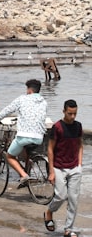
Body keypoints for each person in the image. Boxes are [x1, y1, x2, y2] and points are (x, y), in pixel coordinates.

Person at [0, 78, 48, 188]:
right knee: (25, 149)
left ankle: (23, 175)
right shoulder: (44, 102)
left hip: (24, 136)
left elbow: (8, 110)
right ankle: (28, 168)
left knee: (9, 156)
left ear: (29, 90)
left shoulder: (22, 99)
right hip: (39, 137)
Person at [44, 100, 82, 237]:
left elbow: (80, 145)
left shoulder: (78, 126)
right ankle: (49, 212)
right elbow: (50, 149)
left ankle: (68, 229)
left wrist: (80, 164)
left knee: (73, 199)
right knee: (60, 195)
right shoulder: (57, 127)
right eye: (70, 113)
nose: (72, 117)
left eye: (75, 114)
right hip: (59, 167)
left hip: (74, 168)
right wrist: (51, 171)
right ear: (64, 111)